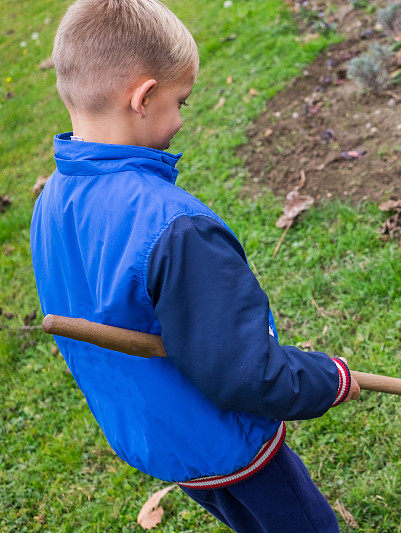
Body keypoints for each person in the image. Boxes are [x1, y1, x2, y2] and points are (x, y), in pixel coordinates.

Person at [30, 1, 359, 531]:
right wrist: (329, 378)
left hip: (157, 431)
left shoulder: (52, 201)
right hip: (223, 439)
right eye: (180, 100)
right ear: (142, 97)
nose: (181, 118)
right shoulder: (175, 229)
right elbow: (248, 374)